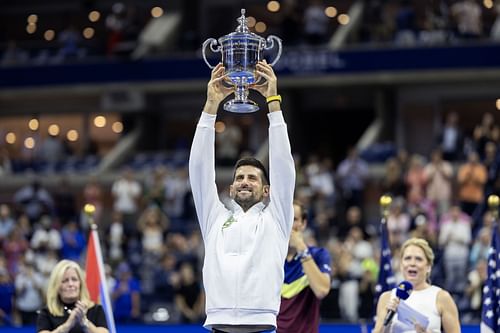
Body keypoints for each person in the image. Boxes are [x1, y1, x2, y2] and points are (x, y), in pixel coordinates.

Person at [189, 60, 295, 333]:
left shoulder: (277, 219)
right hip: (217, 322)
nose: (244, 182)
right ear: (231, 189)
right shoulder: (215, 217)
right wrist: (211, 106)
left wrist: (273, 103)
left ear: (267, 190)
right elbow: (199, 170)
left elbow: (283, 166)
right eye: (239, 178)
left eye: (252, 177)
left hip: (261, 324)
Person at [372, 238, 460, 333]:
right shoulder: (387, 298)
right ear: (401, 265)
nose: (412, 263)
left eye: (418, 259)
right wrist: (387, 322)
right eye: (407, 258)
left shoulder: (442, 297)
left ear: (428, 267)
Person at [277, 201, 331, 333]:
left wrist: (301, 248)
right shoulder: (270, 256)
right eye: (285, 218)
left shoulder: (318, 255)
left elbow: (322, 290)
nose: (289, 224)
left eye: (294, 219)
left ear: (303, 223)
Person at [36, 259, 108, 333]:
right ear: (56, 286)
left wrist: (84, 322)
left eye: (74, 279)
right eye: (65, 281)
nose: (70, 284)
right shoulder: (46, 313)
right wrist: (67, 325)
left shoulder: (96, 309)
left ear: (81, 283)